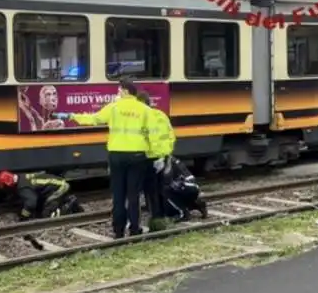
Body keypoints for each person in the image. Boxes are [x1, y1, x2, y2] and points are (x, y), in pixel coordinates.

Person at [55, 77, 152, 238]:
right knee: (133, 195)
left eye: (119, 89)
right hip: (137, 156)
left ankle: (118, 231)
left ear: (126, 91)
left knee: (118, 195)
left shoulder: (113, 108)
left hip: (116, 156)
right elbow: (152, 133)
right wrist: (153, 153)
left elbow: (93, 119)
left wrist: (71, 116)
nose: (117, 92)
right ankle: (135, 229)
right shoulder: (144, 110)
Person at [137, 91, 176, 223]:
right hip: (163, 157)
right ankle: (163, 214)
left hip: (149, 158)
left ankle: (156, 217)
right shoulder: (161, 115)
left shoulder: (142, 118)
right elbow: (171, 135)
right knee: (162, 188)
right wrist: (167, 154)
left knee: (150, 189)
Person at [0, 170, 84, 221]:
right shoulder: (21, 177)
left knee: (47, 217)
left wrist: (24, 217)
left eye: (4, 187)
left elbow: (31, 203)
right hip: (57, 184)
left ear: (8, 184)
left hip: (60, 187)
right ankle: (67, 201)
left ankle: (70, 204)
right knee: (41, 209)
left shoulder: (22, 188)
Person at [162, 156, 208, 221]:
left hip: (185, 186)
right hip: (192, 187)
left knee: (165, 190)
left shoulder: (168, 162)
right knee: (171, 191)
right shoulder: (174, 159)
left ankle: (183, 213)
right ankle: (197, 205)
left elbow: (167, 178)